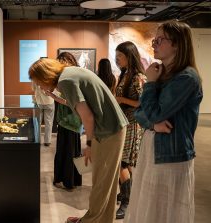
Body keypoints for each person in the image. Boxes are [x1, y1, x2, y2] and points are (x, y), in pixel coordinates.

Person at [29, 58, 128, 223]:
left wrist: (88, 144)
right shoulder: (69, 74)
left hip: (108, 130)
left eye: (39, 82)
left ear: (45, 76)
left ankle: (91, 220)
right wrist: (54, 96)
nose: (39, 86)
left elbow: (87, 117)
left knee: (102, 182)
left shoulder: (66, 81)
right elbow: (78, 105)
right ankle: (98, 219)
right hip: (110, 128)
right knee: (105, 181)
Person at [124, 21, 203, 223]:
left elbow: (156, 113)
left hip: (171, 154)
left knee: (166, 211)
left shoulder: (187, 77)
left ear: (177, 44)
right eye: (154, 40)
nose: (154, 44)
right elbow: (141, 112)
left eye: (160, 40)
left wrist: (150, 83)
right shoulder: (162, 74)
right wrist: (152, 124)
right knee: (151, 207)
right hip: (153, 147)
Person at [114, 41, 147, 219]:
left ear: (129, 56)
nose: (117, 59)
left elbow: (143, 103)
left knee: (123, 163)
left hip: (132, 125)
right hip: (124, 124)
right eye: (116, 56)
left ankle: (127, 202)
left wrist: (121, 100)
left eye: (120, 56)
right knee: (126, 163)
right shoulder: (125, 74)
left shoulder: (137, 77)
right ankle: (129, 195)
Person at [50, 52, 82, 191]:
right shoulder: (71, 76)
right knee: (68, 152)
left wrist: (52, 95)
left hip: (70, 121)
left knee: (68, 152)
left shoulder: (72, 78)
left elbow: (69, 102)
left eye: (62, 61)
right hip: (69, 121)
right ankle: (70, 180)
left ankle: (69, 182)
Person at [32, 82, 55, 146]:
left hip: (39, 102)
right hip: (49, 101)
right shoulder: (50, 78)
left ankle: (37, 140)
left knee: (37, 122)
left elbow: (33, 89)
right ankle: (47, 141)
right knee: (49, 122)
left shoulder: (35, 78)